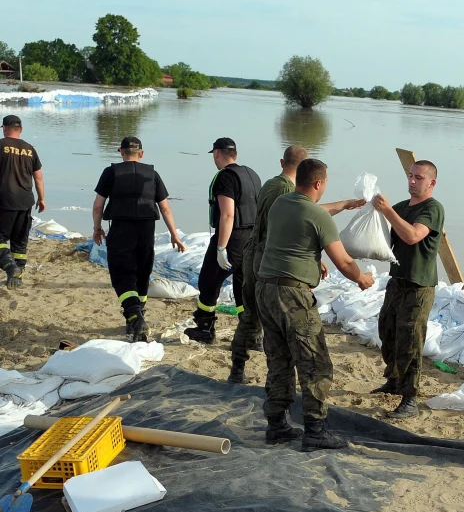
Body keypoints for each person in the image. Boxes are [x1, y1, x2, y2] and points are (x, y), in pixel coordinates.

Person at [255, 159, 374, 450]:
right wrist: (362, 278)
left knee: (279, 359)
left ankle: (277, 425)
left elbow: (297, 233)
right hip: (292, 296)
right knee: (315, 363)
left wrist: (344, 205)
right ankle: (315, 431)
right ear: (319, 183)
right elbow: (344, 261)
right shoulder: (319, 218)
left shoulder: (281, 203)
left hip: (265, 289)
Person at [227, 145, 363, 384]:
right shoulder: (286, 191)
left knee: (252, 314)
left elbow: (301, 217)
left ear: (283, 162)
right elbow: (300, 221)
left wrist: (342, 205)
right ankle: (239, 368)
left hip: (255, 254)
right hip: (266, 258)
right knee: (263, 321)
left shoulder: (272, 183)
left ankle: (238, 367)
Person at [90, 137, 187, 342]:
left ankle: (134, 315)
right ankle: (137, 316)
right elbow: (165, 207)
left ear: (121, 152)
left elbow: (98, 205)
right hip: (145, 230)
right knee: (142, 272)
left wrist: (97, 228)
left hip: (121, 228)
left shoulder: (111, 173)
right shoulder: (152, 174)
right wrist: (174, 234)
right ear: (141, 154)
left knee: (121, 273)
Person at [371, 160, 444, 419]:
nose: (412, 181)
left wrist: (388, 211)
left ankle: (410, 398)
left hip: (418, 285)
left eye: (419, 178)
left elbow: (413, 235)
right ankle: (393, 380)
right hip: (397, 281)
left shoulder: (432, 209)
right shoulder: (401, 207)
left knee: (410, 340)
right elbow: (384, 236)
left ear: (431, 183)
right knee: (387, 330)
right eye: (410, 176)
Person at [184, 138, 262, 344]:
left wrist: (221, 248)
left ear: (217, 153)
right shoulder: (252, 174)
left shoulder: (225, 178)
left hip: (232, 237)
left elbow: (227, 215)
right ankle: (252, 336)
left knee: (209, 281)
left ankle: (205, 328)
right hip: (252, 237)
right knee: (242, 287)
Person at [0, 114, 45, 289]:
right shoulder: (30, 149)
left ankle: (11, 268)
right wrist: (41, 199)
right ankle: (17, 278)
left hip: (4, 200)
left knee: (1, 238)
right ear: (21, 129)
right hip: (26, 200)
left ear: (4, 128)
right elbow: (38, 178)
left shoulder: (1, 145)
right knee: (19, 241)